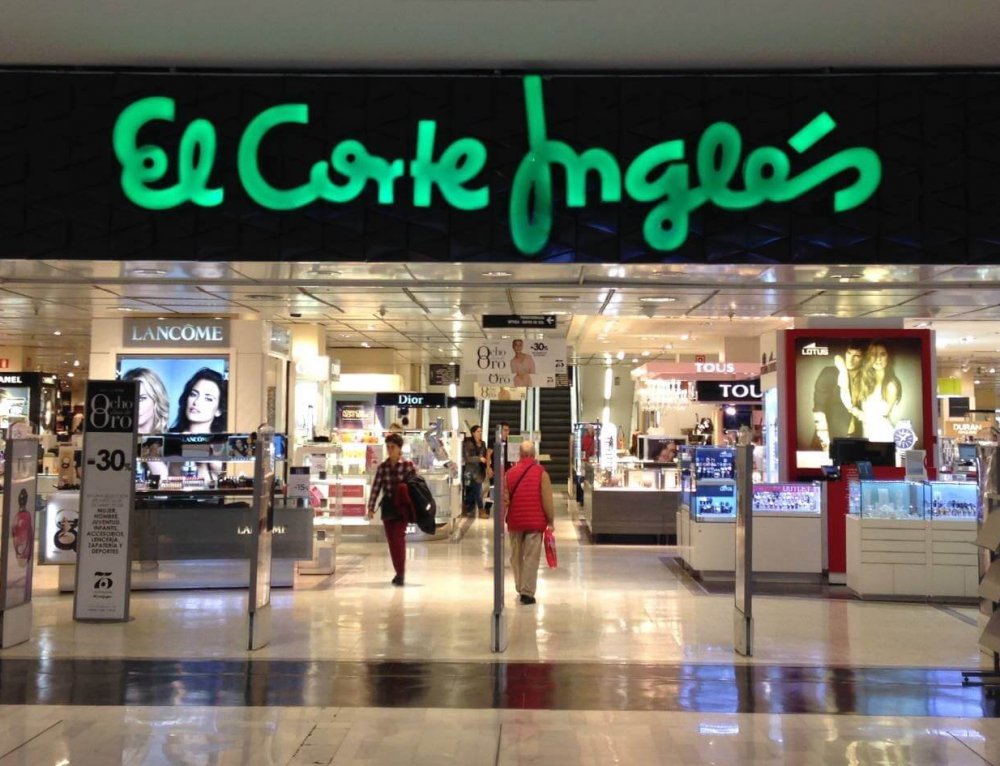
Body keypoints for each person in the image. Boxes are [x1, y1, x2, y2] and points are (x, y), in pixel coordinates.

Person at [504, 440, 554, 606]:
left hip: (515, 522)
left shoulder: (510, 473)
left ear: (519, 454)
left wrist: (502, 519)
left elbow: (505, 500)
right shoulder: (542, 473)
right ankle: (527, 592)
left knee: (516, 556)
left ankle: (519, 585)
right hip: (535, 522)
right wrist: (550, 520)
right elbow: (547, 500)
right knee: (531, 558)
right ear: (534, 455)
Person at [366, 432, 418, 586]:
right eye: (388, 447)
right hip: (388, 507)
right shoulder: (383, 467)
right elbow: (376, 488)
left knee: (398, 539)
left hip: (402, 508)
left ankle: (400, 573)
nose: (390, 450)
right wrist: (371, 507)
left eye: (392, 447)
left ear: (399, 448)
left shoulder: (408, 466)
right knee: (391, 542)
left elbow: (416, 487)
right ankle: (398, 572)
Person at [811, 339, 865, 451]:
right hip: (829, 438)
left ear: (863, 358)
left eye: (857, 356)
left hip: (856, 439)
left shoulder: (866, 379)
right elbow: (818, 409)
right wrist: (825, 443)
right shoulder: (830, 373)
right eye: (849, 353)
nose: (850, 359)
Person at [851, 341, 902, 442]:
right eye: (874, 355)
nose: (878, 359)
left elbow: (880, 417)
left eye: (882, 354)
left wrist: (855, 411)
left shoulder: (891, 385)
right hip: (867, 435)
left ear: (888, 357)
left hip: (883, 437)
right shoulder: (866, 381)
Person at [170, 368, 227, 433]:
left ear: (218, 410)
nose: (196, 402)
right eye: (193, 394)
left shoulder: (223, 439)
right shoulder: (167, 436)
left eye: (208, 399)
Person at [122, 367, 170, 435]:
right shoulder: (114, 439)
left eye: (141, 398)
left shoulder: (171, 438)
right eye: (130, 399)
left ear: (157, 400)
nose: (135, 405)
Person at [462, 425, 489, 518]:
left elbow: (485, 455)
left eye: (480, 431)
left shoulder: (483, 443)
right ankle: (479, 510)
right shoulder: (467, 443)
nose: (480, 433)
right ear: (473, 433)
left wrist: (487, 463)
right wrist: (479, 459)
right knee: (474, 491)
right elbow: (467, 458)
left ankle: (470, 510)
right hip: (470, 472)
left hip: (479, 472)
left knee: (475, 491)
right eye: (478, 431)